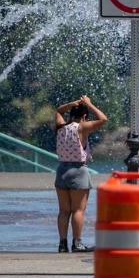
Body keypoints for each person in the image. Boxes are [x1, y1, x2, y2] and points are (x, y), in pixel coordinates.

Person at [54, 95, 107, 253]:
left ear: (71, 114)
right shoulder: (81, 128)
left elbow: (59, 111)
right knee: (78, 210)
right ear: (84, 116)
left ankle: (62, 244)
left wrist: (71, 104)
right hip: (78, 171)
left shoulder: (60, 126)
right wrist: (89, 104)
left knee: (64, 211)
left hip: (62, 171)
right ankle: (77, 244)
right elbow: (103, 119)